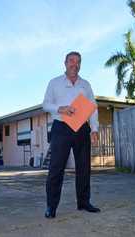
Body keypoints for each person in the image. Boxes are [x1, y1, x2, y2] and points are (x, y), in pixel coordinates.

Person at [42, 51, 100, 218]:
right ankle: (51, 207)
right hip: (61, 127)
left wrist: (94, 129)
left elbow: (93, 107)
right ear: (65, 63)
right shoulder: (54, 83)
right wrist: (60, 108)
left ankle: (83, 202)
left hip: (82, 128)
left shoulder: (85, 85)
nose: (75, 64)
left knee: (84, 167)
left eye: (78, 61)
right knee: (56, 168)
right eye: (71, 61)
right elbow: (45, 104)